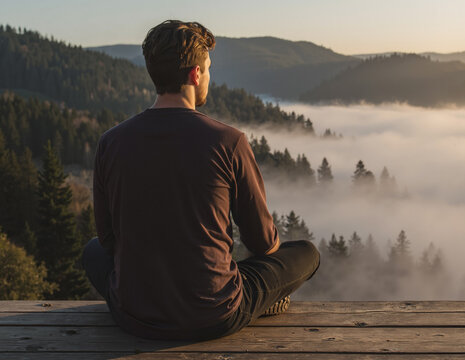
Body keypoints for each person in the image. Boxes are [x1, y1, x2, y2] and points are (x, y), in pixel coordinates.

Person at [82, 20, 320, 341]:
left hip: (134, 313)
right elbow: (263, 243)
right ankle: (262, 300)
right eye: (208, 68)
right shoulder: (228, 141)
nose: (209, 76)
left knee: (93, 251)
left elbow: (109, 241)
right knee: (306, 253)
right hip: (214, 314)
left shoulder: (111, 142)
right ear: (195, 75)